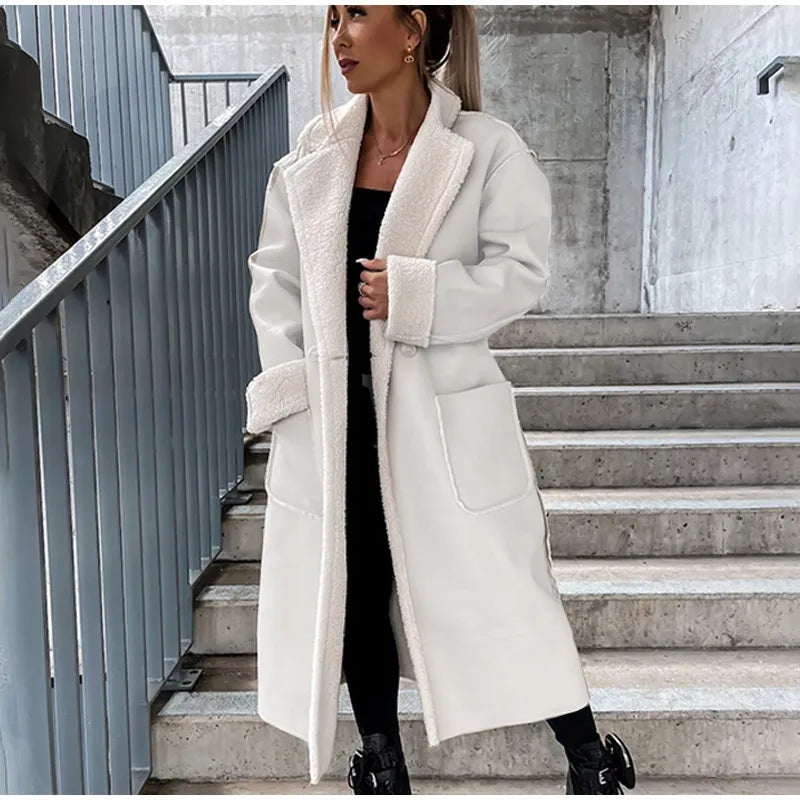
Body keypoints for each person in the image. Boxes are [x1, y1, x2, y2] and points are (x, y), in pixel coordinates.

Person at [245, 4, 637, 795]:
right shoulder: (313, 156)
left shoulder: (486, 149)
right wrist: (291, 391)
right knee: (356, 591)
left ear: (412, 28)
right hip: (336, 419)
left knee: (509, 589)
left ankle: (591, 761)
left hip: (440, 419)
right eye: (332, 18)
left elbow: (520, 272)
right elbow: (274, 283)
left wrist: (420, 296)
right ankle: (382, 763)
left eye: (358, 14)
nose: (339, 36)